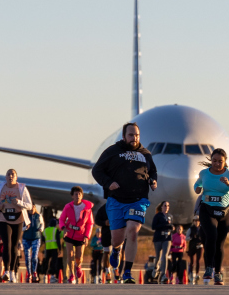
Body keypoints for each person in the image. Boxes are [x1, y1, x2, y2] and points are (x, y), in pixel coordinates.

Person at [91, 122, 159, 284]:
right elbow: (96, 170)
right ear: (124, 136)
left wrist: (153, 181)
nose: (134, 138)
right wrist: (108, 183)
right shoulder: (113, 151)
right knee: (117, 239)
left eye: (136, 135)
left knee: (133, 231)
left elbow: (153, 171)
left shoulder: (145, 154)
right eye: (130, 135)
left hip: (138, 200)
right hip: (116, 200)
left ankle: (127, 271)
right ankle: (116, 250)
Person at [194, 147, 229, 285]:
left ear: (225, 161)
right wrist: (197, 188)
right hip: (207, 210)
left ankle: (218, 273)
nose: (216, 164)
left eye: (220, 161)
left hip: (224, 212)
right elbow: (197, 184)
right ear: (211, 161)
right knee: (211, 236)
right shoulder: (204, 173)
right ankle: (209, 268)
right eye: (214, 161)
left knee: (220, 244)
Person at [0, 168, 32, 283]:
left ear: (16, 177)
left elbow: (29, 205)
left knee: (14, 245)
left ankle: (13, 272)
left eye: (13, 174)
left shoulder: (22, 188)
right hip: (3, 218)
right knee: (6, 243)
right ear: (5, 177)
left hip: (18, 217)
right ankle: (7, 271)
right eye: (8, 174)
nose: (10, 176)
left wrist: (19, 202)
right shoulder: (0, 187)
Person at [59, 186, 94, 284]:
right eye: (76, 194)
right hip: (69, 234)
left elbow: (90, 223)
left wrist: (87, 236)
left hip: (81, 235)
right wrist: (64, 228)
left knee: (79, 257)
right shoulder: (68, 207)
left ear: (82, 196)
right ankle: (71, 275)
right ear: (72, 196)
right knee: (70, 254)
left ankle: (78, 266)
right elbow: (61, 219)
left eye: (79, 194)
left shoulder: (87, 208)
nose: (78, 196)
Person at [151, 200, 174, 284]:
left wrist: (171, 227)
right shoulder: (158, 216)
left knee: (165, 255)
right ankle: (156, 267)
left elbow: (170, 225)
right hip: (158, 238)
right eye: (165, 205)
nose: (166, 207)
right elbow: (153, 227)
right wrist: (165, 225)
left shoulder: (170, 216)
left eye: (168, 206)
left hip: (167, 238)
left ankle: (163, 274)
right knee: (158, 255)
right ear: (161, 207)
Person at [22, 205, 44, 283]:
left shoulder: (39, 216)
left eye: (33, 207)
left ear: (35, 208)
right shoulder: (25, 216)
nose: (32, 209)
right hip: (26, 238)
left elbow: (42, 224)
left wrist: (41, 229)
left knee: (34, 256)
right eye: (30, 208)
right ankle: (29, 273)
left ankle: (35, 272)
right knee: (27, 257)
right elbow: (21, 227)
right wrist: (25, 228)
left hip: (36, 237)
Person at [41, 216, 61, 283]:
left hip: (47, 248)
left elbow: (43, 239)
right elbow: (58, 240)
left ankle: (45, 276)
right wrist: (60, 248)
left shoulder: (45, 230)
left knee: (46, 261)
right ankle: (52, 276)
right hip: (54, 248)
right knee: (53, 262)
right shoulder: (55, 230)